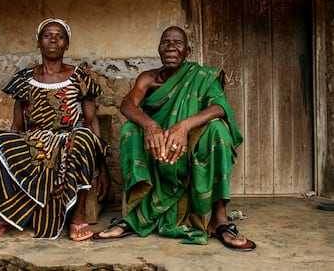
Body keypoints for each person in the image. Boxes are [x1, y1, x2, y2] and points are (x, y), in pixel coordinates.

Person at [93, 26, 256, 251]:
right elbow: (127, 105)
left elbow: (220, 107)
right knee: (130, 129)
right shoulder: (148, 78)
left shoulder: (201, 76)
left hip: (190, 142)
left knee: (218, 129)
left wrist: (183, 126)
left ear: (187, 51)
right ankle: (133, 217)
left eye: (177, 43)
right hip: (157, 145)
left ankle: (220, 219)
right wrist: (151, 126)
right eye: (166, 42)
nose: (171, 47)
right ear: (159, 49)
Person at [0, 18, 110, 240]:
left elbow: (92, 121)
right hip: (34, 141)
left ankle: (78, 215)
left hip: (70, 140)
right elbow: (17, 126)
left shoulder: (80, 77)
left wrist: (102, 164)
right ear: (39, 43)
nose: (53, 40)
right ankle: (8, 213)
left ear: (67, 44)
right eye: (47, 36)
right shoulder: (24, 79)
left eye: (59, 36)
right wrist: (8, 154)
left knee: (84, 137)